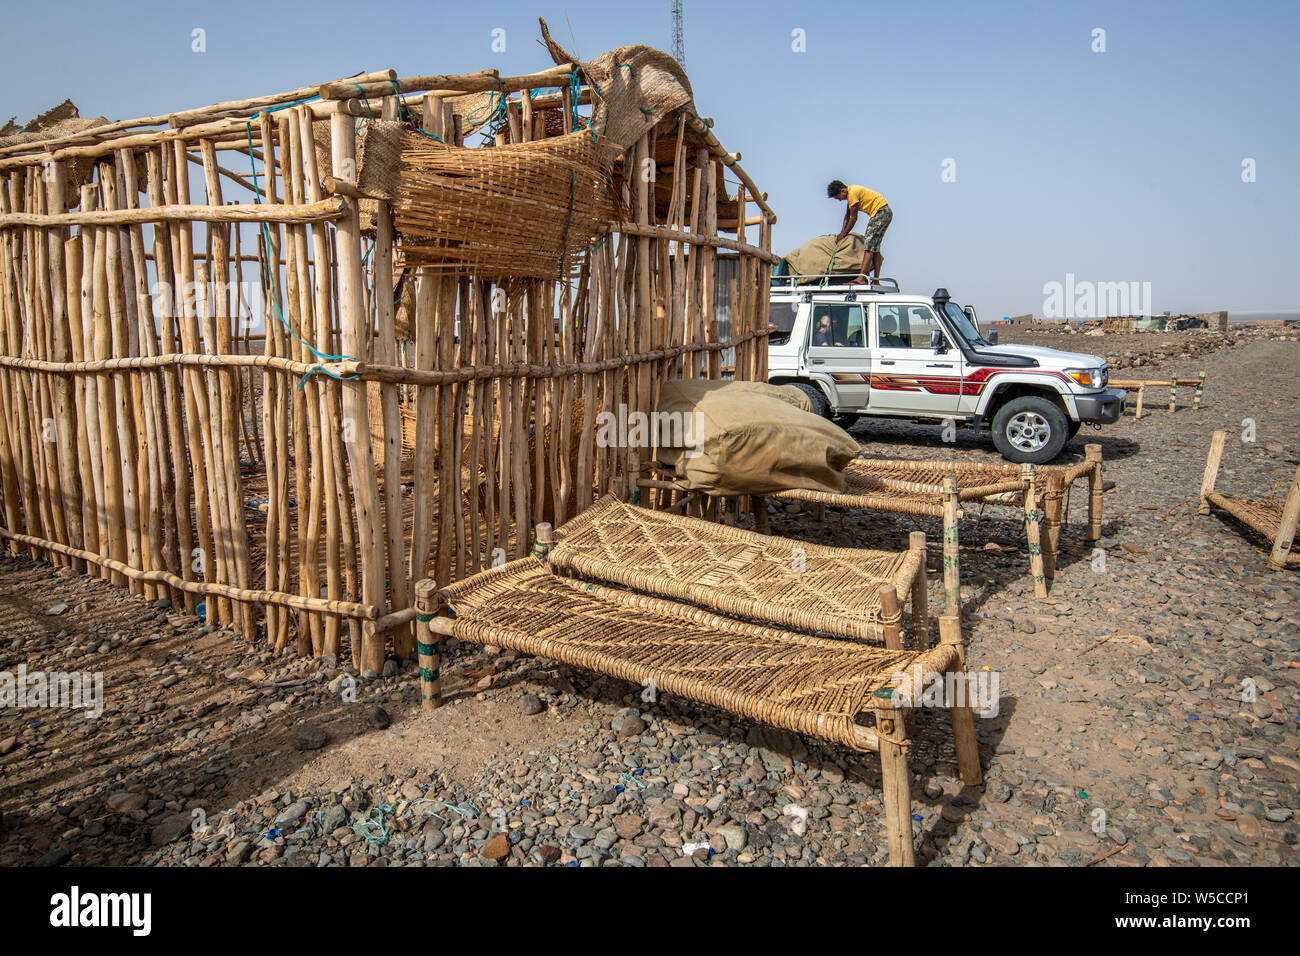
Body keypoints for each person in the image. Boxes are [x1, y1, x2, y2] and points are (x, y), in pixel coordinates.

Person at [827, 179, 892, 284]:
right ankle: (876, 281)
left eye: (838, 197)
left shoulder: (852, 193)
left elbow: (853, 218)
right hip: (884, 212)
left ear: (843, 190)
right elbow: (847, 216)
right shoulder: (851, 193)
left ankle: (861, 279)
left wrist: (843, 234)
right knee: (875, 248)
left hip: (880, 212)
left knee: (868, 247)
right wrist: (841, 234)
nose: (839, 200)